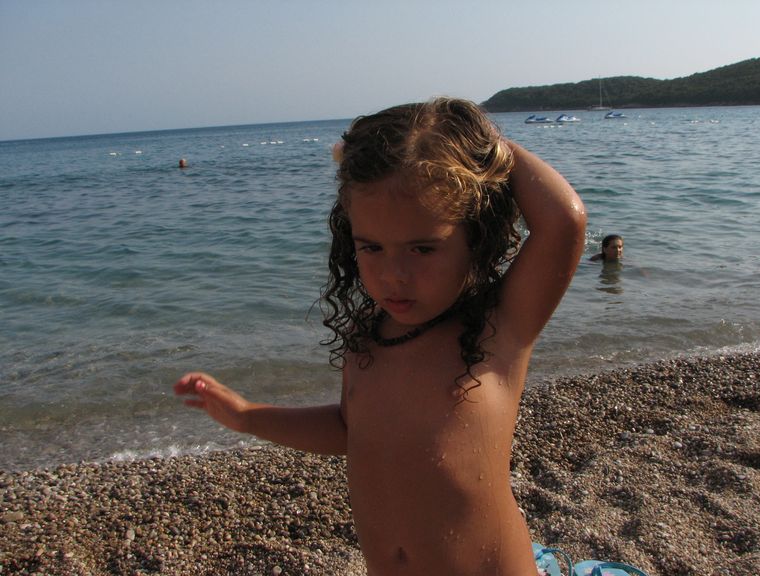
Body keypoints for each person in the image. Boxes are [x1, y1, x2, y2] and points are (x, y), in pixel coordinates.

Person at [174, 98, 586, 575]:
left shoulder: (498, 328)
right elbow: (351, 431)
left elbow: (563, 221)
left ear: (476, 237)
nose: (394, 275)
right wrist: (248, 416)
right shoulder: (367, 337)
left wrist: (486, 150)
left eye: (422, 249)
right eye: (371, 247)